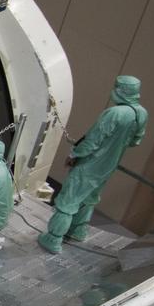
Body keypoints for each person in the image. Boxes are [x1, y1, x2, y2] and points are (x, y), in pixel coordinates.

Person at [39, 75, 147, 253]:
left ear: (121, 91)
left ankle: (53, 238)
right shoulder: (142, 113)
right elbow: (136, 141)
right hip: (109, 165)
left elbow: (93, 140)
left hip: (90, 164)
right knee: (89, 198)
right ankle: (78, 230)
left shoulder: (114, 113)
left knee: (68, 201)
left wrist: (75, 153)